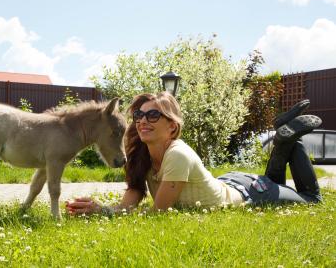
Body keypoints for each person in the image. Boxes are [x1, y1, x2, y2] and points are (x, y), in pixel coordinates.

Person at [66, 92, 322, 216]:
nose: (143, 121)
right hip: (231, 182)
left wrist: (103, 213)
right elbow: (130, 200)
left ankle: (288, 140)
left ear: (172, 126)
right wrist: (103, 210)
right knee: (275, 183)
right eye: (139, 115)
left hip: (250, 192)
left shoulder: (177, 154)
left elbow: (158, 212)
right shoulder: (140, 154)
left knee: (311, 199)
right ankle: (283, 138)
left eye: (153, 115)